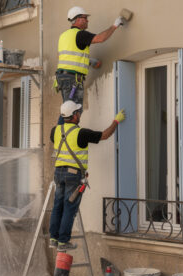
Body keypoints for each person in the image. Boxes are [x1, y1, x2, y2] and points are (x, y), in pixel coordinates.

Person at [50, 100, 126, 251]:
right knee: (69, 208)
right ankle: (63, 241)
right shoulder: (81, 133)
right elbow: (105, 135)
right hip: (73, 176)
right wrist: (116, 121)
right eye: (78, 113)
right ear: (74, 116)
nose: (80, 115)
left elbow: (60, 125)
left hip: (58, 173)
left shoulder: (55, 131)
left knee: (57, 206)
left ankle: (53, 238)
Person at [56, 6, 127, 108]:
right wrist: (115, 25)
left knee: (68, 108)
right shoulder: (80, 34)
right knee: (72, 111)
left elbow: (68, 57)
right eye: (85, 18)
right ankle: (66, 125)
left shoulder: (64, 36)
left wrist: (89, 61)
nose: (87, 20)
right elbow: (100, 38)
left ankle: (62, 124)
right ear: (78, 19)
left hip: (62, 78)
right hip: (72, 79)